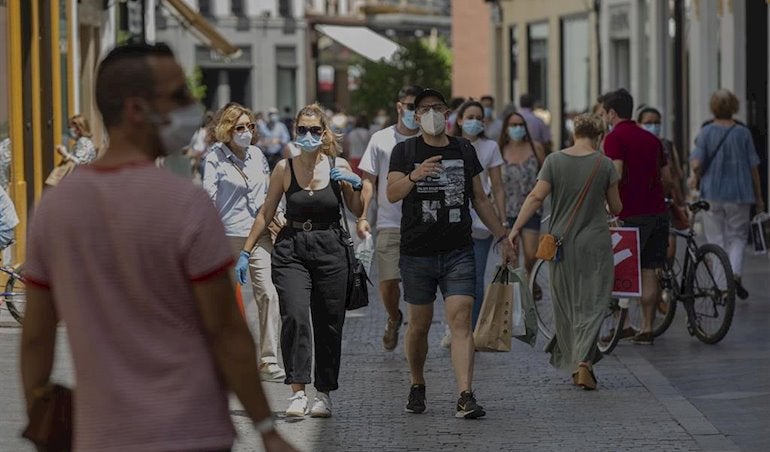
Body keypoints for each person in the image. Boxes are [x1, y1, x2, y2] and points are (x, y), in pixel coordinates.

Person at [19, 43, 294, 452]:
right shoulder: (185, 205)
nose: (192, 107)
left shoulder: (55, 209)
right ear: (136, 109)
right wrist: (268, 429)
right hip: (192, 431)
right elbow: (227, 332)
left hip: (101, 436)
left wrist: (41, 422)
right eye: (179, 96)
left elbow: (36, 339)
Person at [387, 88, 514, 419]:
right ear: (415, 116)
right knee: (419, 324)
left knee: (460, 320)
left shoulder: (463, 149)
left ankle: (465, 394)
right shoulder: (404, 150)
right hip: (417, 252)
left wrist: (502, 235)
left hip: (458, 250)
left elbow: (480, 198)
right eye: (425, 109)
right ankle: (417, 383)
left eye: (438, 108)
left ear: (447, 114)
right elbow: (391, 193)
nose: (432, 113)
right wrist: (415, 176)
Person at [240, 103, 363, 418]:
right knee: (294, 315)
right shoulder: (284, 168)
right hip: (291, 249)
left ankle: (323, 393)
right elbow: (266, 211)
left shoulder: (338, 165)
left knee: (329, 322)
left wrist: (355, 182)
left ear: (323, 134)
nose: (308, 135)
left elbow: (357, 209)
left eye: (314, 130)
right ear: (295, 132)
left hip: (330, 249)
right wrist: (246, 250)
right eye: (302, 130)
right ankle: (297, 391)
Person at [509, 113, 622, 390]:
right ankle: (584, 362)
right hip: (595, 243)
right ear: (599, 136)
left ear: (574, 133)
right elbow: (616, 208)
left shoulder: (554, 161)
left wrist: (514, 230)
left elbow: (536, 197)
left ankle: (579, 361)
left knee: (566, 303)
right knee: (594, 301)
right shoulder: (604, 164)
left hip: (560, 243)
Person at [203, 103, 286, 382]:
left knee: (268, 293)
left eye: (250, 126)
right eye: (240, 127)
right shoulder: (215, 157)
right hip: (226, 236)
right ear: (226, 130)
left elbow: (268, 193)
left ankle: (268, 359)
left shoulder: (258, 156)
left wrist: (279, 215)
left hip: (258, 234)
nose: (247, 132)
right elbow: (209, 197)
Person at [599, 88, 672, 346]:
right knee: (649, 268)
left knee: (620, 270)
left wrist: (609, 201)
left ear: (612, 112)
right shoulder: (652, 139)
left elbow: (615, 173)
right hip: (657, 211)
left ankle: (625, 324)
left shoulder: (614, 138)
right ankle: (648, 327)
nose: (603, 117)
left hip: (628, 213)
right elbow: (667, 177)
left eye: (604, 112)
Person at [358, 85, 422, 351]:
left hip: (423, 225)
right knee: (387, 284)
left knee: (418, 288)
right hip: (388, 222)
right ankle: (394, 317)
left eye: (418, 109)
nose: (413, 113)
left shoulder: (430, 139)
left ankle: (416, 339)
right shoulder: (380, 139)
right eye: (409, 107)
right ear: (399, 107)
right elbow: (368, 181)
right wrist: (364, 215)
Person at [688, 89, 766, 300]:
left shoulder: (705, 132)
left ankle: (723, 287)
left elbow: (696, 163)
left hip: (712, 193)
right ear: (734, 107)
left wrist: (695, 174)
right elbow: (754, 168)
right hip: (741, 193)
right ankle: (735, 274)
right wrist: (759, 198)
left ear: (713, 108)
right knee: (738, 237)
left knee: (716, 238)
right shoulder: (743, 133)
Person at [452, 100, 505, 332]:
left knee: (476, 279)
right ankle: (454, 326)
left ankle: (471, 331)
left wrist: (501, 220)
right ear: (460, 120)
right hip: (454, 222)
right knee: (454, 280)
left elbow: (498, 186)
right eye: (470, 117)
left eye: (479, 118)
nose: (474, 121)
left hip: (481, 222)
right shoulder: (450, 145)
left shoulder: (490, 147)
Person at [498, 111, 546, 293]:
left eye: (520, 124)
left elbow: (546, 172)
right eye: (512, 125)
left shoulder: (536, 147)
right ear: (506, 129)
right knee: (512, 255)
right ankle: (519, 292)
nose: (517, 128)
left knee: (531, 254)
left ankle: (531, 279)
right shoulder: (500, 149)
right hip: (508, 209)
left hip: (531, 208)